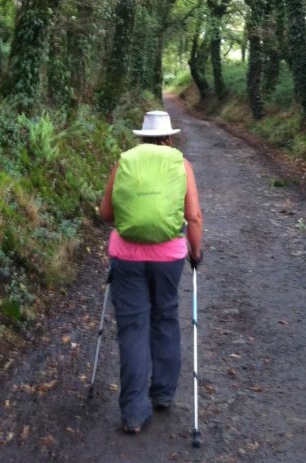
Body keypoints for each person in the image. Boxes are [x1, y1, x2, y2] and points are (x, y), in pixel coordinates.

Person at [99, 109, 203, 435]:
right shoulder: (180, 164)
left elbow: (105, 213)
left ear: (140, 137)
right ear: (169, 137)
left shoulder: (125, 161)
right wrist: (195, 253)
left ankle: (133, 412)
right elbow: (194, 217)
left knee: (132, 328)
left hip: (126, 257)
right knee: (166, 315)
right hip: (168, 257)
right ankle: (163, 394)